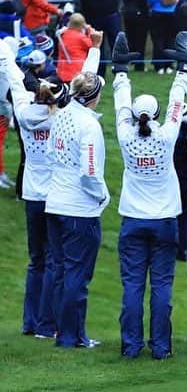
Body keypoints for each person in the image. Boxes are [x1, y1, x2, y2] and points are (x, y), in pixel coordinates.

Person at [1, 37, 96, 340]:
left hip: (31, 193)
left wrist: (5, 49)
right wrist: (94, 49)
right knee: (56, 261)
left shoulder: (25, 113)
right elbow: (86, 87)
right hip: (56, 196)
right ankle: (48, 324)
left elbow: (15, 80)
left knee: (36, 261)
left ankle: (31, 322)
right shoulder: (65, 117)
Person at [111, 32, 187, 359]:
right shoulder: (167, 133)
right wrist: (183, 68)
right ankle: (161, 348)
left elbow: (120, 103)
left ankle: (131, 346)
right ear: (155, 115)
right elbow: (176, 102)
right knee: (161, 287)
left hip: (133, 220)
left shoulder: (124, 132)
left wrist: (120, 71)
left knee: (132, 287)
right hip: (164, 222)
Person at [46, 57, 109, 348]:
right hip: (78, 208)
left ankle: (64, 332)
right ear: (93, 97)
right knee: (77, 275)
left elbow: (49, 153)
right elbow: (90, 173)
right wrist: (102, 195)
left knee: (62, 271)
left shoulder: (60, 114)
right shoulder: (88, 126)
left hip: (55, 202)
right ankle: (72, 336)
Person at [146, 0, 186, 74]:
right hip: (173, 12)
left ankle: (159, 66)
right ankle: (169, 65)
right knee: (170, 38)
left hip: (158, 12)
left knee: (158, 39)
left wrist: (154, 4)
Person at [56, 14, 101, 85]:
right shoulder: (80, 38)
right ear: (82, 25)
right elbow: (92, 45)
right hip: (76, 71)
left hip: (62, 70)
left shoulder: (63, 34)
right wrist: (89, 30)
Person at [121, 0, 149, 72]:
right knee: (140, 39)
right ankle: (139, 64)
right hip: (140, 13)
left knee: (131, 38)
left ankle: (131, 60)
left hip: (127, 12)